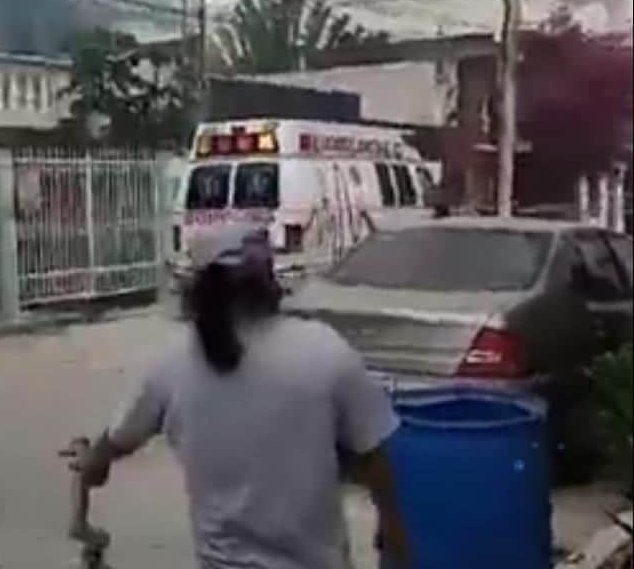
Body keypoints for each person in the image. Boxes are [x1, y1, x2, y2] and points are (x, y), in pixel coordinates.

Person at [67, 223, 409, 568]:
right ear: (269, 281)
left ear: (200, 289)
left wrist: (93, 462)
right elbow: (375, 456)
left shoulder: (174, 363)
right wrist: (392, 537)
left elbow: (116, 441)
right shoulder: (324, 350)